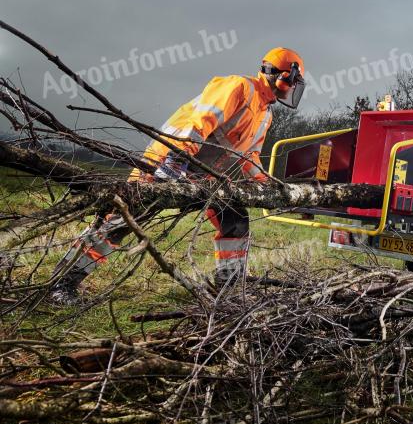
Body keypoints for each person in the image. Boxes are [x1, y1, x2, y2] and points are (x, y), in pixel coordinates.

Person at [49, 47, 305, 305]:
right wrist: (175, 163)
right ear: (283, 76)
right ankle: (62, 282)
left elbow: (249, 157)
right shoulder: (239, 87)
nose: (292, 89)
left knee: (235, 217)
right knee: (123, 219)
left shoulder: (266, 114)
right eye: (294, 82)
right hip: (165, 160)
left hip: (202, 176)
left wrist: (271, 188)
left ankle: (230, 287)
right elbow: (200, 122)